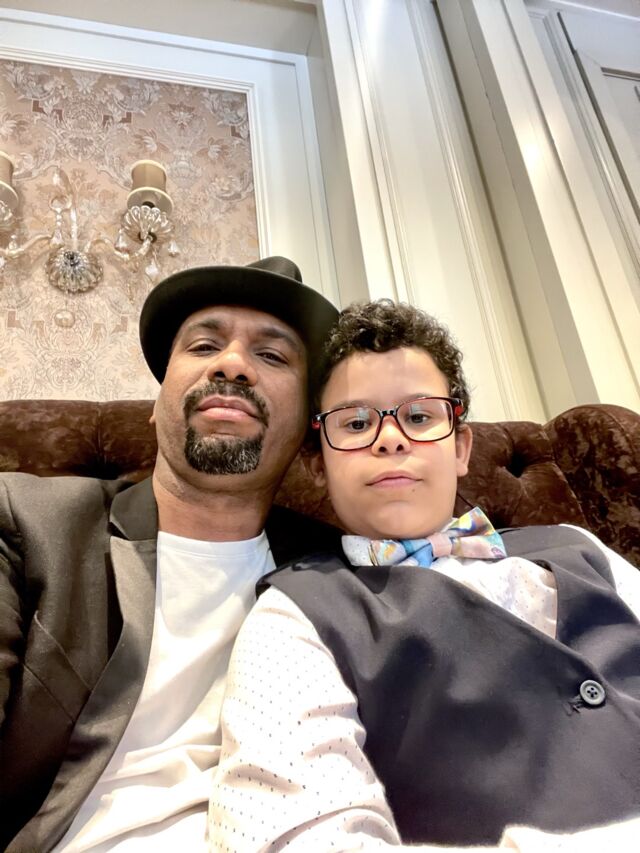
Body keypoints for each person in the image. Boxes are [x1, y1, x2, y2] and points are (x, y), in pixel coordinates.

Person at [210, 299, 640, 852]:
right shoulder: (292, 617)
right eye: (356, 422)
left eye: (418, 417)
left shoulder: (577, 542)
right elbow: (292, 835)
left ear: (461, 447)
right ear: (319, 465)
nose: (390, 438)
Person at [0, 256, 341, 852]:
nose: (232, 364)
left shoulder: (341, 572)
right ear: (157, 404)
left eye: (271, 355)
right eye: (204, 345)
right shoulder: (27, 521)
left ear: (310, 430)